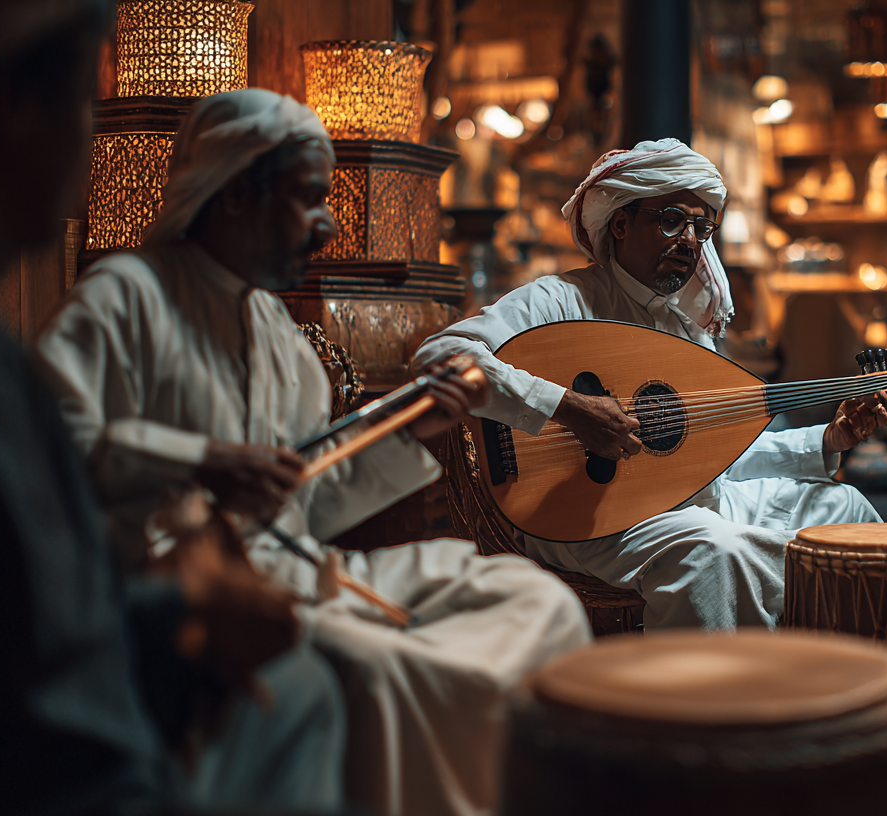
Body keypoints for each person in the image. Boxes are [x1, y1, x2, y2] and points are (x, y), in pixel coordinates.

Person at [33, 87, 592, 816]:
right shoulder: (123, 296)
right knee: (388, 667)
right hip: (186, 590)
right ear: (236, 194)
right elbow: (46, 452)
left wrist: (412, 434)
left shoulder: (280, 336)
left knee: (536, 598)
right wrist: (199, 461)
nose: (329, 225)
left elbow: (308, 503)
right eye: (309, 197)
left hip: (301, 569)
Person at [0, 1, 346, 813]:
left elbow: (13, 615)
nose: (90, 140)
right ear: (9, 102)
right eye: (82, 103)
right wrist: (179, 603)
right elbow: (1, 677)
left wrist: (178, 607)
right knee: (310, 687)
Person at [413, 139, 887, 631]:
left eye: (701, 227)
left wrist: (826, 441)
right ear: (621, 223)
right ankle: (728, 700)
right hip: (583, 513)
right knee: (713, 551)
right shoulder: (558, 301)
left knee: (843, 508)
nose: (688, 239)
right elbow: (439, 357)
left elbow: (711, 451)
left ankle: (842, 681)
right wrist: (567, 408)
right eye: (670, 220)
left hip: (693, 502)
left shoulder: (688, 333)